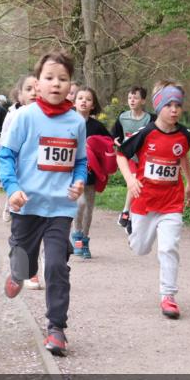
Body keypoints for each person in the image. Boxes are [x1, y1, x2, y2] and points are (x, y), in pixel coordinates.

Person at [0, 51, 86, 356]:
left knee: (57, 266)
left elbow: (81, 161)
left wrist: (78, 180)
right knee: (24, 263)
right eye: (49, 78)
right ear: (36, 84)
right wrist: (12, 188)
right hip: (27, 205)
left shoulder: (76, 122)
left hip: (60, 208)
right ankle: (17, 272)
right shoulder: (25, 117)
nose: (56, 84)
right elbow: (5, 156)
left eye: (62, 79)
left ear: (70, 84)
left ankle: (57, 328)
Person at [115, 82, 190, 319]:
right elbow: (121, 155)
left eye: (178, 105)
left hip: (171, 202)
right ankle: (131, 230)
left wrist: (189, 183)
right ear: (159, 107)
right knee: (140, 248)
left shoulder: (184, 135)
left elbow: (183, 158)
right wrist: (130, 180)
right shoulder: (145, 133)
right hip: (145, 202)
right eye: (169, 105)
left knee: (168, 247)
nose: (174, 110)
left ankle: (168, 296)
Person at [71, 87, 115, 260]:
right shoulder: (68, 122)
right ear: (74, 102)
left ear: (93, 104)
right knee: (79, 204)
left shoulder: (97, 126)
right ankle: (76, 236)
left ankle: (85, 240)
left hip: (91, 174)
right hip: (73, 173)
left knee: (89, 209)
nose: (83, 101)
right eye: (80, 98)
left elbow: (108, 144)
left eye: (88, 99)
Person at [111, 86, 154, 233]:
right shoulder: (123, 117)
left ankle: (130, 217)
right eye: (130, 98)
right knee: (134, 180)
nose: (132, 100)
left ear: (143, 100)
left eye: (135, 98)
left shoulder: (150, 119)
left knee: (141, 187)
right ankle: (125, 212)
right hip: (128, 157)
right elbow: (114, 135)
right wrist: (114, 140)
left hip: (143, 158)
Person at [1, 74, 38, 224]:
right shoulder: (14, 115)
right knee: (16, 183)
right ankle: (10, 204)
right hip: (16, 158)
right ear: (20, 95)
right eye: (29, 89)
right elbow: (4, 137)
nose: (33, 93)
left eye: (36, 89)